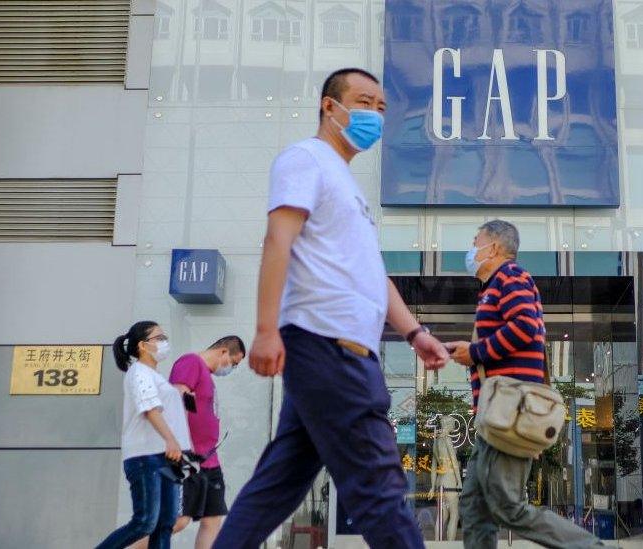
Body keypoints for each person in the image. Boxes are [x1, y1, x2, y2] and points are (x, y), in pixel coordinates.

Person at [213, 67, 449, 549]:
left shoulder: (348, 187)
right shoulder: (307, 159)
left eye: (382, 108)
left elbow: (371, 276)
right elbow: (278, 238)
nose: (374, 116)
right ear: (330, 106)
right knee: (380, 488)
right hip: (330, 347)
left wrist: (414, 333)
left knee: (276, 486)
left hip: (335, 350)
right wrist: (265, 329)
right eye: (364, 102)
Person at [446, 220, 605, 549]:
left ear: (493, 248)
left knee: (508, 508)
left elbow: (524, 326)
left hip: (507, 415)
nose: (470, 249)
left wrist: (474, 351)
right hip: (495, 417)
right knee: (474, 509)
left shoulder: (510, 277)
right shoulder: (494, 287)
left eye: (475, 241)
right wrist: (472, 351)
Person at [98, 321, 192, 549]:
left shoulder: (155, 376)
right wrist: (171, 439)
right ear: (142, 345)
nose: (164, 342)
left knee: (165, 524)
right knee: (144, 522)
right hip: (145, 457)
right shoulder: (138, 373)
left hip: (167, 458)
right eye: (159, 338)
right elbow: (150, 408)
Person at [167, 335, 245, 548]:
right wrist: (182, 446)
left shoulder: (208, 377)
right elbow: (176, 400)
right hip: (189, 458)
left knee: (213, 519)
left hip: (210, 459)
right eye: (234, 363)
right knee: (179, 521)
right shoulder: (191, 362)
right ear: (223, 352)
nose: (231, 368)